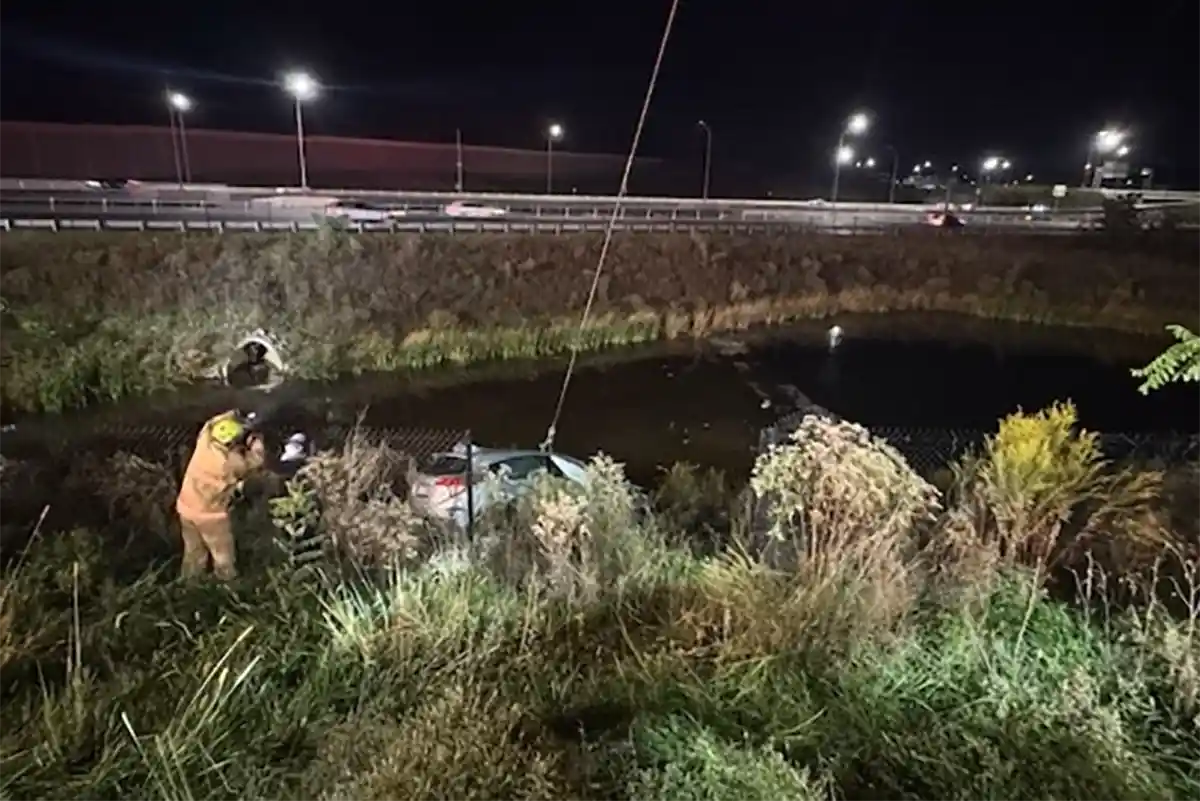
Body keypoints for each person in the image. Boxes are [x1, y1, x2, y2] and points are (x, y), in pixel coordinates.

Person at [175, 409, 267, 580]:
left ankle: (189, 583)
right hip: (211, 518)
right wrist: (256, 440)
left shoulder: (205, 441)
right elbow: (256, 461)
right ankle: (227, 583)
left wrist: (232, 415)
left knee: (193, 551)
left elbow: (210, 424)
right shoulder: (230, 464)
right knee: (222, 555)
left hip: (185, 507)